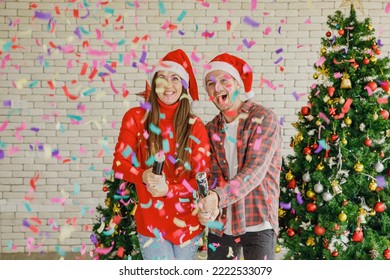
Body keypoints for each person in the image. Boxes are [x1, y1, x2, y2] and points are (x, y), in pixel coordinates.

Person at [112, 49, 211, 260]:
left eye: (175, 78)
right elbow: (119, 164)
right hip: (151, 223)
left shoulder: (196, 126)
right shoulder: (135, 118)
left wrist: (170, 190)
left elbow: (202, 178)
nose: (168, 85)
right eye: (162, 78)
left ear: (183, 85)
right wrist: (143, 176)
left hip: (188, 224)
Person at [198, 53, 282, 260]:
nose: (217, 88)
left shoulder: (263, 118)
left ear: (237, 84)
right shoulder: (209, 129)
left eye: (223, 80)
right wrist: (205, 207)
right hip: (222, 226)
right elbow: (210, 177)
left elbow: (255, 171)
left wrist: (218, 197)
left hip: (258, 221)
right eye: (210, 83)